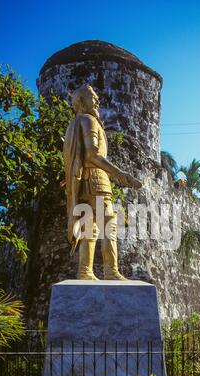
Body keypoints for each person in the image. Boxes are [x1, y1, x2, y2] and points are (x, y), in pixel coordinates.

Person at [63, 84, 141, 280]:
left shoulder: (75, 123)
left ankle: (84, 270)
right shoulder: (89, 120)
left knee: (90, 228)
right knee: (108, 225)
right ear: (81, 102)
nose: (97, 101)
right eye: (92, 98)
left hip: (84, 183)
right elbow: (92, 154)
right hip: (97, 181)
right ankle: (111, 271)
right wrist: (120, 174)